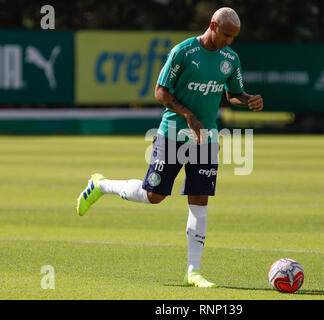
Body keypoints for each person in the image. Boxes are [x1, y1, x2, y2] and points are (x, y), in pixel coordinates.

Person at [76, 7, 263, 288]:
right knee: (154, 195)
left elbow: (233, 93)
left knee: (200, 201)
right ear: (212, 25)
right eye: (226, 35)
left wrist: (247, 99)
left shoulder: (230, 59)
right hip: (173, 134)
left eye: (233, 37)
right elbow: (160, 91)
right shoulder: (184, 52)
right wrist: (188, 115)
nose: (229, 41)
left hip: (206, 138)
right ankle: (101, 185)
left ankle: (193, 272)